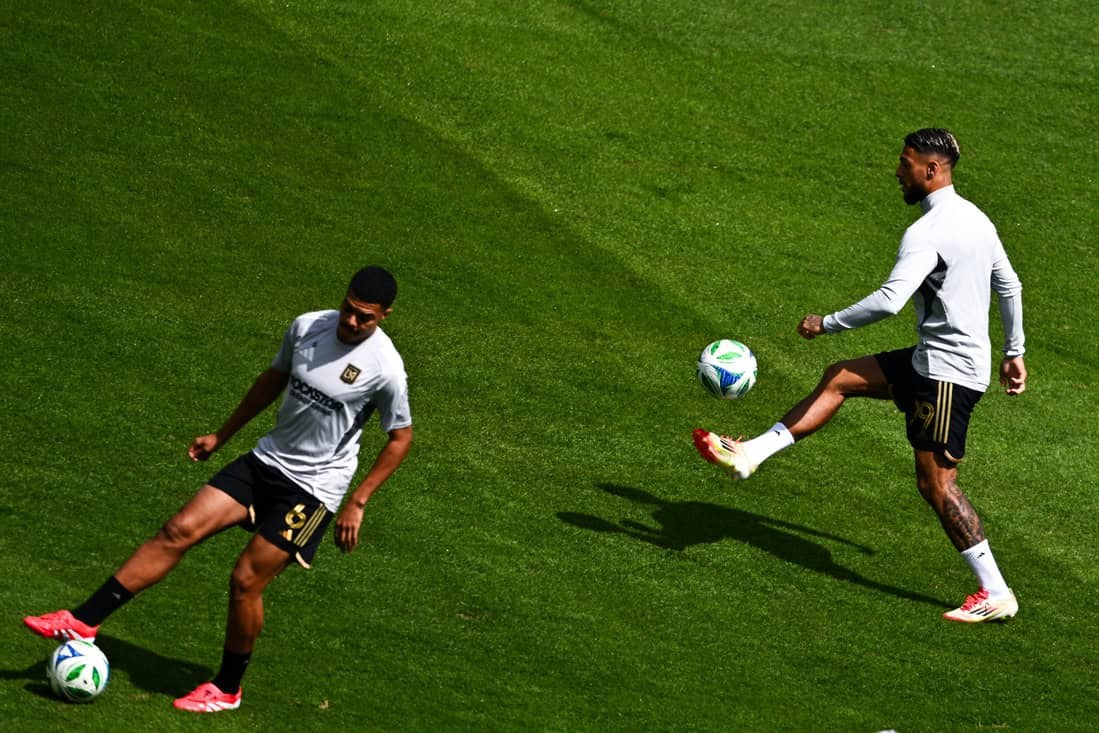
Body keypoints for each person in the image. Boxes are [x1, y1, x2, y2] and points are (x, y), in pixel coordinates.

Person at [25, 265, 413, 711]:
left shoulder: (386, 369)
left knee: (246, 579)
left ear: (384, 315)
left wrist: (357, 502)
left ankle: (227, 689)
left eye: (364, 317)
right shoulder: (308, 326)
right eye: (348, 309)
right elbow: (272, 380)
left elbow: (400, 438)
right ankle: (82, 621)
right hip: (267, 460)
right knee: (177, 530)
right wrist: (221, 436)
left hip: (314, 490)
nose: (351, 322)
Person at [693, 129, 1026, 624]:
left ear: (931, 170)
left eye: (905, 163)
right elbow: (1009, 284)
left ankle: (996, 591)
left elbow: (890, 300)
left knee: (936, 485)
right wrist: (1014, 351)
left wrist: (826, 323)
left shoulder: (927, 233)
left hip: (947, 376)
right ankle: (750, 456)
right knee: (840, 378)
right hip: (933, 360)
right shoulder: (977, 219)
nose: (898, 171)